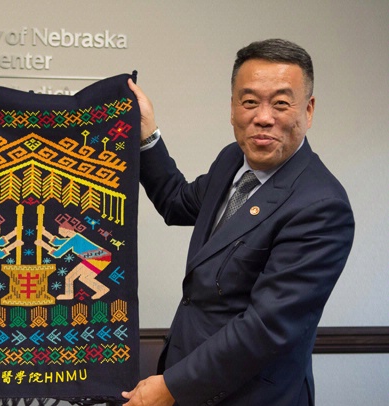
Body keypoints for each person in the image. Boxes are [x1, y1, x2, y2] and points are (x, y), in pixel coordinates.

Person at [122, 39, 355, 406]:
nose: (263, 117)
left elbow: (264, 329)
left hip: (253, 396)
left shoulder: (321, 206)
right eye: (249, 102)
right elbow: (176, 202)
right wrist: (147, 134)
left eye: (281, 103)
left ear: (308, 111)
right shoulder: (232, 160)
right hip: (192, 381)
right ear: (232, 109)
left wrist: (171, 387)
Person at [35, 214, 111, 300]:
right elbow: (58, 242)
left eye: (61, 231)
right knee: (84, 278)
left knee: (70, 277)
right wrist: (44, 232)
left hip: (96, 258)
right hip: (103, 257)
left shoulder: (73, 240)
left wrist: (43, 244)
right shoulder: (76, 237)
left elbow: (57, 254)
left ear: (66, 230)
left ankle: (69, 295)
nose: (60, 233)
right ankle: (103, 289)